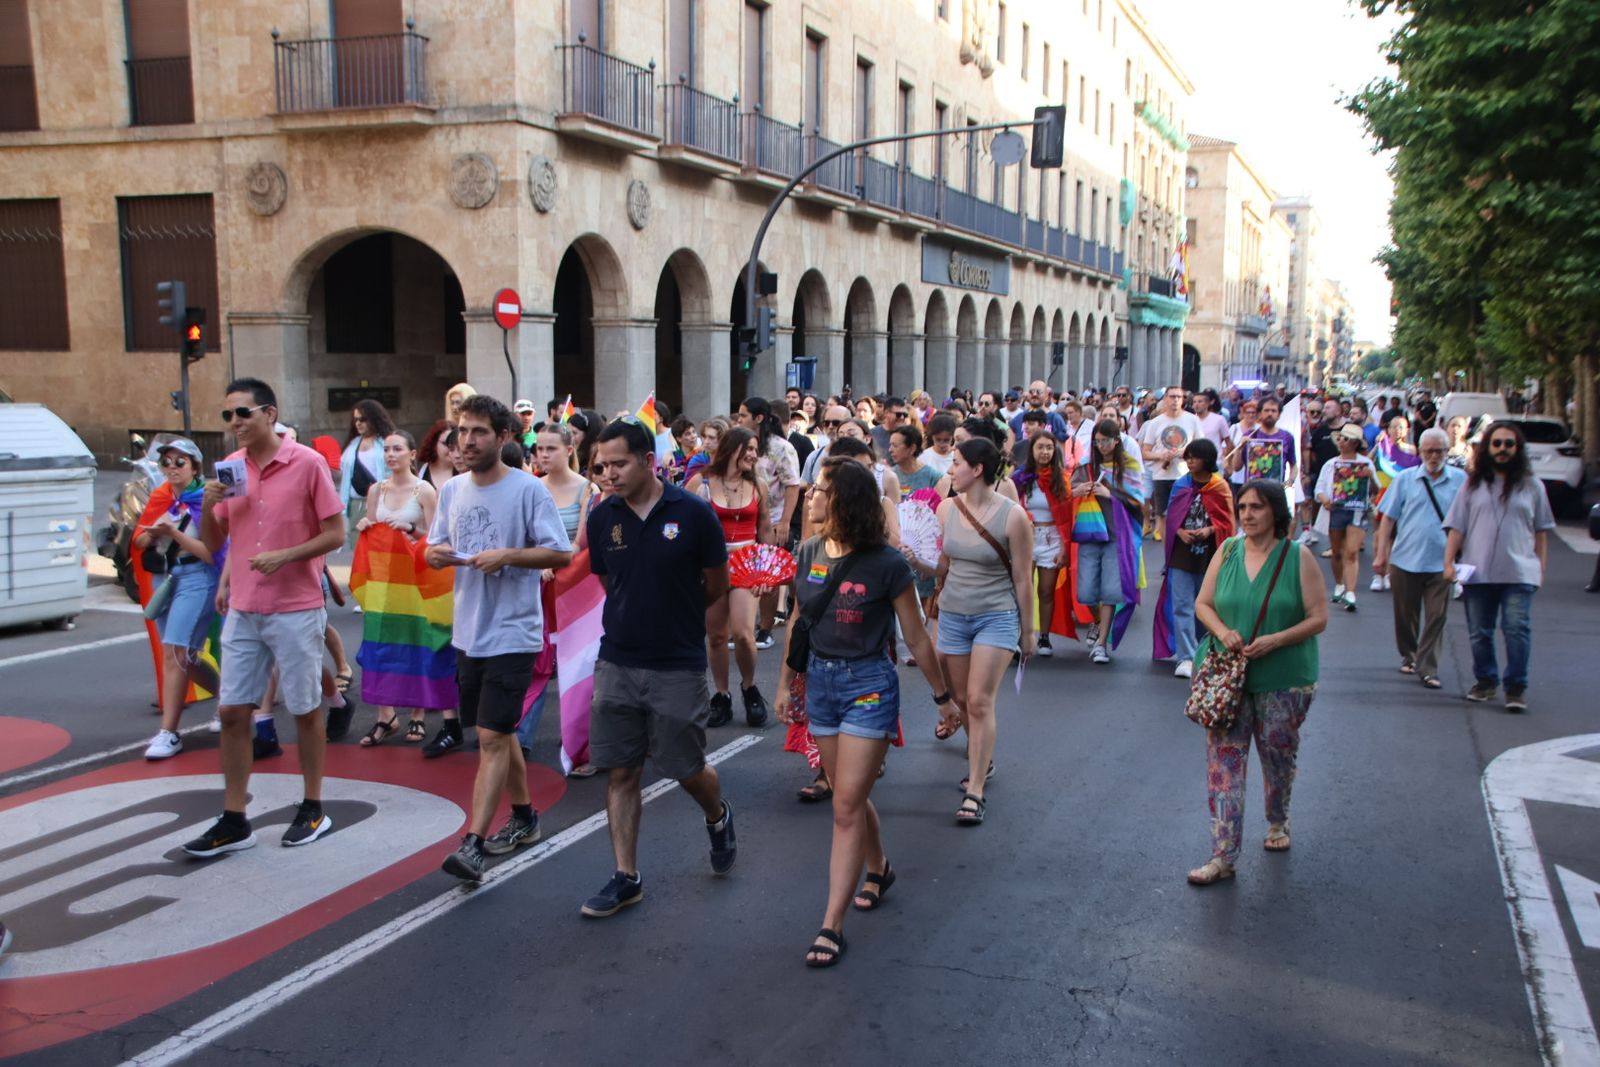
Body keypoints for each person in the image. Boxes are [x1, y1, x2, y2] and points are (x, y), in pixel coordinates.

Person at [773, 458, 953, 967]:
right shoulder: (806, 550)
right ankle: (880, 867)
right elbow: (799, 624)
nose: (809, 496)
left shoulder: (887, 563)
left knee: (845, 804)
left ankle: (830, 924)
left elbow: (915, 634)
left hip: (869, 686)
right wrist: (787, 684)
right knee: (851, 794)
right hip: (822, 685)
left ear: (843, 500)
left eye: (820, 490)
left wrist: (943, 698)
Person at [580, 418, 736, 918]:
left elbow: (715, 585)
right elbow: (609, 582)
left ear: (649, 461)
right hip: (618, 661)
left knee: (685, 767)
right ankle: (626, 876)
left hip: (677, 663)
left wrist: (681, 618)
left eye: (619, 464)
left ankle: (717, 813)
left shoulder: (693, 514)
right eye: (602, 465)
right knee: (621, 771)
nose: (609, 474)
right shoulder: (603, 518)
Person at [185, 378, 346, 857]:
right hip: (244, 609)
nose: (234, 423)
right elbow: (217, 546)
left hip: (295, 607)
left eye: (242, 413)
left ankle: (313, 805)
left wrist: (286, 556)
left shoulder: (307, 463)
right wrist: (210, 508)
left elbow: (336, 533)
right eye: (227, 416)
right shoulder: (229, 469)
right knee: (233, 711)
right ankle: (235, 818)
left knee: (304, 708)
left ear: (269, 415)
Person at [427, 396, 573, 881]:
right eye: (462, 431)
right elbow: (432, 548)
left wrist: (506, 555)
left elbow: (559, 554)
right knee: (499, 730)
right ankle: (527, 815)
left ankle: (472, 844)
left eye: (478, 432)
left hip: (515, 631)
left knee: (490, 737)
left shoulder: (528, 492)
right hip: (469, 630)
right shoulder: (451, 491)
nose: (466, 441)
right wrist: (440, 555)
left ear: (505, 437)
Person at [1188, 479, 1328, 886]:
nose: (1247, 514)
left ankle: (1278, 818)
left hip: (1285, 676)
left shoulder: (1297, 557)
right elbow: (1203, 604)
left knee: (1277, 757)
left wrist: (1276, 640)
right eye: (1243, 507)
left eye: (1257, 507)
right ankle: (1222, 855)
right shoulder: (1228, 549)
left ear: (1276, 513)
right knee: (1223, 767)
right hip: (1226, 677)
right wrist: (1223, 631)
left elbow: (1318, 617)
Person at [934, 437, 1033, 826]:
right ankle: (982, 759)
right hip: (954, 614)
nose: (950, 469)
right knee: (961, 697)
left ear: (977, 469)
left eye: (956, 462)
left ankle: (974, 789)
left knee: (978, 700)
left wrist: (1028, 632)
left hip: (997, 614)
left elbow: (1023, 578)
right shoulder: (944, 509)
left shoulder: (1013, 516)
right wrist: (916, 562)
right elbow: (942, 565)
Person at [1442, 422, 1556, 711]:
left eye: (1509, 444)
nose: (1502, 449)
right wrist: (1448, 563)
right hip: (1477, 571)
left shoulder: (1533, 485)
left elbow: (1541, 530)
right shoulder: (1472, 484)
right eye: (1497, 444)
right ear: (1487, 448)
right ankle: (1486, 682)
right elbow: (1457, 527)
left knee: (1516, 629)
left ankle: (1516, 687)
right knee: (1479, 632)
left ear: (1517, 449)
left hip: (1520, 572)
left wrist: (1540, 567)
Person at [351, 430, 441, 745]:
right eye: (387, 449)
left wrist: (411, 529)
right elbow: (373, 529)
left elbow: (435, 537)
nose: (391, 455)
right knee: (380, 646)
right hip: (383, 581)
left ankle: (417, 715)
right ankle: (384, 716)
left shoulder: (425, 490)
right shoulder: (376, 489)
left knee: (415, 643)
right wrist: (365, 526)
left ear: (412, 454)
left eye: (397, 449)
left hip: (415, 579)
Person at [136, 438, 223, 759]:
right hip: (166, 577)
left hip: (197, 578)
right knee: (184, 655)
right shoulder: (163, 498)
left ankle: (169, 732)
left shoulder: (207, 500)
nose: (171, 468)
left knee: (176, 653)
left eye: (179, 462)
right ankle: (229, 699)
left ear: (195, 467)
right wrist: (154, 533)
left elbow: (212, 553)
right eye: (166, 462)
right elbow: (141, 538)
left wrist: (173, 533)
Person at [685, 427, 774, 729]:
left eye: (755, 448)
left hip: (747, 563)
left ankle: (749, 688)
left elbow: (764, 529)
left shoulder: (758, 484)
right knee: (717, 636)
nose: (753, 454)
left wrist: (767, 568)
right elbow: (685, 524)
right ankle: (721, 695)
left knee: (744, 634)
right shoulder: (702, 482)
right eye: (747, 448)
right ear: (731, 449)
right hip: (712, 563)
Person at [1372, 428, 1465, 689]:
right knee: (1406, 615)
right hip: (1405, 559)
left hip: (1442, 561)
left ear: (1447, 452)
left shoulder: (1460, 480)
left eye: (1439, 451)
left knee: (1437, 616)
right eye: (1429, 451)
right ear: (1420, 452)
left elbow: (1468, 520)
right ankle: (1409, 654)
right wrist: (1381, 555)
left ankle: (1428, 668)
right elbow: (1388, 517)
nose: (1434, 456)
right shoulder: (1405, 479)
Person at [1153, 439, 1234, 678]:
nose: (1189, 461)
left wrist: (1209, 530)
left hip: (1210, 554)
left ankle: (1204, 651)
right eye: (1187, 457)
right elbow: (1172, 517)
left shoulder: (1220, 487)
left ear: (1206, 460)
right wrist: (1179, 531)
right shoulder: (1181, 485)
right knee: (1182, 604)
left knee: (1205, 604)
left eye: (1194, 457)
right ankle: (1185, 657)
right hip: (1182, 553)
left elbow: (1227, 523)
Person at [1071, 419, 1146, 663]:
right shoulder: (1086, 465)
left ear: (1117, 441)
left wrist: (1110, 493)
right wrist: (1078, 490)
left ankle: (1102, 643)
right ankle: (1096, 621)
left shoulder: (1129, 465)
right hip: (1089, 532)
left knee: (1111, 591)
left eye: (1107, 440)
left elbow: (1137, 500)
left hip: (1117, 535)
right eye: (1098, 441)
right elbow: (1068, 490)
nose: (1102, 445)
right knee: (1086, 592)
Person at [738, 396, 802, 648]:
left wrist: (785, 521)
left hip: (773, 519)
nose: (739, 419)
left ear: (759, 418)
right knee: (741, 574)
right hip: (743, 520)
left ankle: (764, 628)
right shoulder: (739, 445)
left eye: (743, 415)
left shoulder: (780, 447)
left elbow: (792, 485)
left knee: (768, 576)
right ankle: (741, 626)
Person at [1012, 430, 1077, 658]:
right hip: (1026, 537)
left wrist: (1063, 547)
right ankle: (1020, 635)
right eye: (1040, 447)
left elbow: (1067, 516)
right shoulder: (1020, 477)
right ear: (1032, 450)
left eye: (1049, 448)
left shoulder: (1061, 478)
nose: (1045, 452)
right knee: (1022, 588)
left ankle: (1044, 637)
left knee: (1046, 591)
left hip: (1051, 538)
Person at [1314, 424, 1377, 611]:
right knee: (1337, 551)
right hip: (1336, 511)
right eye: (1340, 438)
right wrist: (1325, 499)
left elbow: (1374, 490)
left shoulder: (1366, 463)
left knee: (1351, 552)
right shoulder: (1331, 464)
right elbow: (1319, 489)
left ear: (1356, 443)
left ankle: (1351, 591)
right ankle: (1339, 584)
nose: (1342, 441)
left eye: (1346, 439)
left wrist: (1370, 477)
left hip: (1357, 510)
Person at [1137, 386, 1203, 543]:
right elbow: (1145, 452)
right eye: (1172, 397)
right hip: (1161, 475)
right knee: (1162, 515)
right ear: (1165, 399)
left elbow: (1201, 447)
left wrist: (1185, 453)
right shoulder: (1155, 423)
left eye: (1179, 397)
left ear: (1183, 400)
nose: (1175, 400)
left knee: (1186, 513)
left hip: (1185, 475)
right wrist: (1161, 456)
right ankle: (1167, 553)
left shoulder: (1192, 420)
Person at [339, 399, 394, 541]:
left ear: (373, 419)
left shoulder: (387, 443)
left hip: (381, 502)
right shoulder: (352, 444)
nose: (358, 423)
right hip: (356, 503)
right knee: (358, 547)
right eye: (355, 419)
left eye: (362, 419)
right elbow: (344, 472)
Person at [418, 420, 456, 488]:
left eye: (455, 443)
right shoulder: (422, 472)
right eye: (445, 443)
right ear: (434, 443)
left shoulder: (466, 471)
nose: (450, 448)